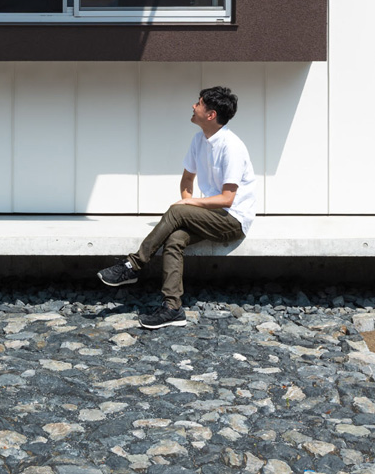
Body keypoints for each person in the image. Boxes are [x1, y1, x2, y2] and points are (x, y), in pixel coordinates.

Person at [98, 85, 256, 329]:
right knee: (174, 240)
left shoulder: (231, 147)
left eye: (199, 103)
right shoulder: (199, 140)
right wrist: (187, 202)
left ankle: (133, 265)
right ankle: (172, 308)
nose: (193, 106)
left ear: (211, 114)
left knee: (177, 209)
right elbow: (186, 179)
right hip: (209, 215)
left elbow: (227, 199)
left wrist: (187, 204)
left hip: (232, 220)